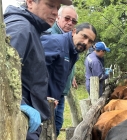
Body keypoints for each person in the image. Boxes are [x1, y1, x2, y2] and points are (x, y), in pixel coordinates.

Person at [3, 0, 72, 139]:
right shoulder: (21, 29)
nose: (55, 11)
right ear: (30, 2)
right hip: (16, 123)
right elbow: (3, 73)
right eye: (50, 5)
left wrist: (37, 96)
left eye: (58, 7)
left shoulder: (33, 29)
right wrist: (20, 105)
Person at [40, 22, 97, 135]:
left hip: (52, 100)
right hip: (38, 101)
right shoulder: (56, 42)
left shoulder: (73, 52)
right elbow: (34, 68)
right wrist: (41, 96)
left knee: (54, 129)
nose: (86, 42)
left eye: (90, 41)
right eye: (84, 36)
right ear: (74, 31)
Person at [45, 5, 79, 136]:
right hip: (50, 94)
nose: (70, 23)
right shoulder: (51, 36)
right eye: (67, 18)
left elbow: (64, 62)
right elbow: (42, 66)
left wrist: (72, 76)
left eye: (74, 21)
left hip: (61, 91)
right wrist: (47, 93)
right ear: (58, 18)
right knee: (49, 129)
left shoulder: (68, 38)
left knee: (57, 126)